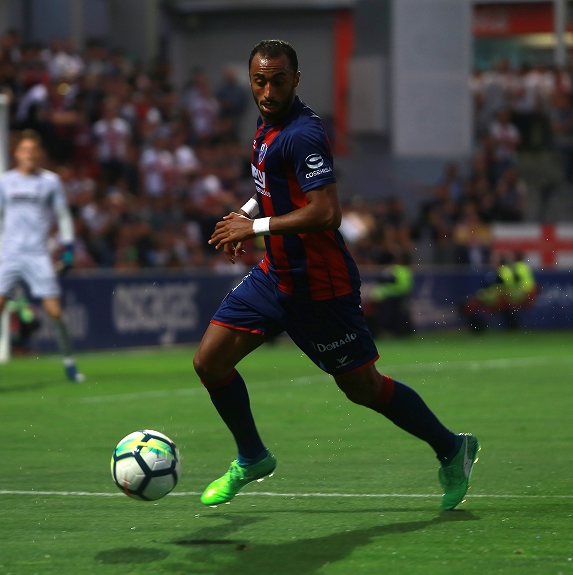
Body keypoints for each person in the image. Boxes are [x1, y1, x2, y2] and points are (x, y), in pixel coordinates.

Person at [193, 40, 479, 510]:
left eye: (278, 81)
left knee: (363, 387)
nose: (268, 91)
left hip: (320, 286)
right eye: (260, 81)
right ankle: (252, 456)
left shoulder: (302, 133)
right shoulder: (266, 124)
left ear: (296, 80)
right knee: (210, 362)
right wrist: (246, 213)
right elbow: (273, 184)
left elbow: (326, 212)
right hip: (275, 276)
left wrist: (255, 228)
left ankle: (452, 447)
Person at [0, 130, 84, 386]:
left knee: (54, 312)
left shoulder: (50, 181)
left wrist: (68, 246)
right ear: (17, 153)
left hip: (38, 254)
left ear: (39, 154)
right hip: (9, 254)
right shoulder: (4, 181)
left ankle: (69, 362)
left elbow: (63, 215)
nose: (29, 155)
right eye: (25, 150)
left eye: (33, 150)